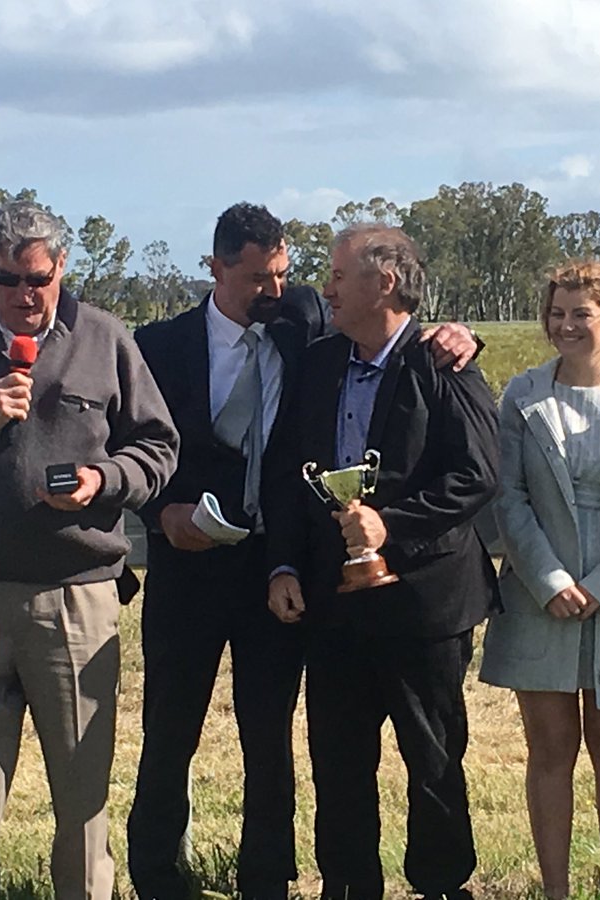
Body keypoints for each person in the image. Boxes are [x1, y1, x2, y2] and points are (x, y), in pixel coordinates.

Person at [127, 204, 479, 900]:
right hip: (186, 564)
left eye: (285, 273)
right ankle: (158, 875)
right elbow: (129, 442)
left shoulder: (305, 321)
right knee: (169, 730)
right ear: (216, 269)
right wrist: (157, 511)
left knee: (271, 735)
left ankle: (267, 877)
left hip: (273, 570)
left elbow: (399, 331)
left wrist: (460, 336)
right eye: (259, 277)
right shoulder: (158, 346)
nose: (276, 290)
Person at [0, 200, 179, 900]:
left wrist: (102, 479)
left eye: (37, 279)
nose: (23, 295)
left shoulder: (104, 339)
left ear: (61, 270)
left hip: (76, 600)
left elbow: (160, 449)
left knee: (83, 807)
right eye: (6, 278)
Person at [264, 224, 498, 900]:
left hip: (424, 602)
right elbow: (286, 473)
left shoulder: (441, 362)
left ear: (384, 282)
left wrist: (388, 526)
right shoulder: (316, 361)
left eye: (339, 275)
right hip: (331, 602)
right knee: (336, 763)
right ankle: (346, 884)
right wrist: (282, 565)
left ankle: (441, 885)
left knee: (432, 757)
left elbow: (478, 474)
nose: (326, 288)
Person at [477, 259, 600, 898]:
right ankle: (556, 889)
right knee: (549, 748)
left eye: (580, 314)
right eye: (556, 313)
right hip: (542, 600)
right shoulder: (522, 396)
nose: (564, 326)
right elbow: (508, 499)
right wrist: (551, 579)